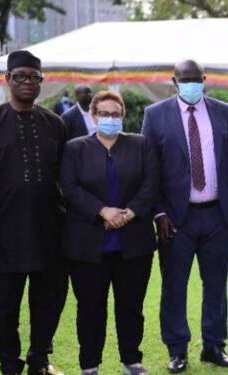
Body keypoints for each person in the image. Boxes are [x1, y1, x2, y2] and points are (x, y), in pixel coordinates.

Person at [142, 59, 228, 373]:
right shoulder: (155, 115)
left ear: (205, 79)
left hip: (216, 217)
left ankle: (214, 346)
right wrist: (158, 213)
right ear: (174, 80)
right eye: (185, 79)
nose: (191, 83)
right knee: (174, 286)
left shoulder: (225, 113)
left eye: (196, 79)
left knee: (216, 286)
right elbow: (149, 170)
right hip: (175, 220)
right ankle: (177, 349)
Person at [60, 90, 159, 375]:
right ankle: (89, 365)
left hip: (133, 243)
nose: (110, 119)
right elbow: (69, 187)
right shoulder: (75, 148)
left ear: (123, 116)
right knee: (90, 308)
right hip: (88, 245)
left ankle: (132, 360)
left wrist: (128, 214)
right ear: (93, 116)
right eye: (104, 114)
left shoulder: (140, 145)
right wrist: (103, 211)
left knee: (131, 307)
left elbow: (151, 184)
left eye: (115, 114)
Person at [0, 50, 68, 375]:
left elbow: (66, 178)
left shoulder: (55, 123)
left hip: (49, 230)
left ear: (41, 82)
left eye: (33, 77)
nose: (27, 82)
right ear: (7, 80)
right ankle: (10, 364)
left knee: (48, 301)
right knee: (3, 307)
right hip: (3, 235)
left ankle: (40, 360)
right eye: (20, 76)